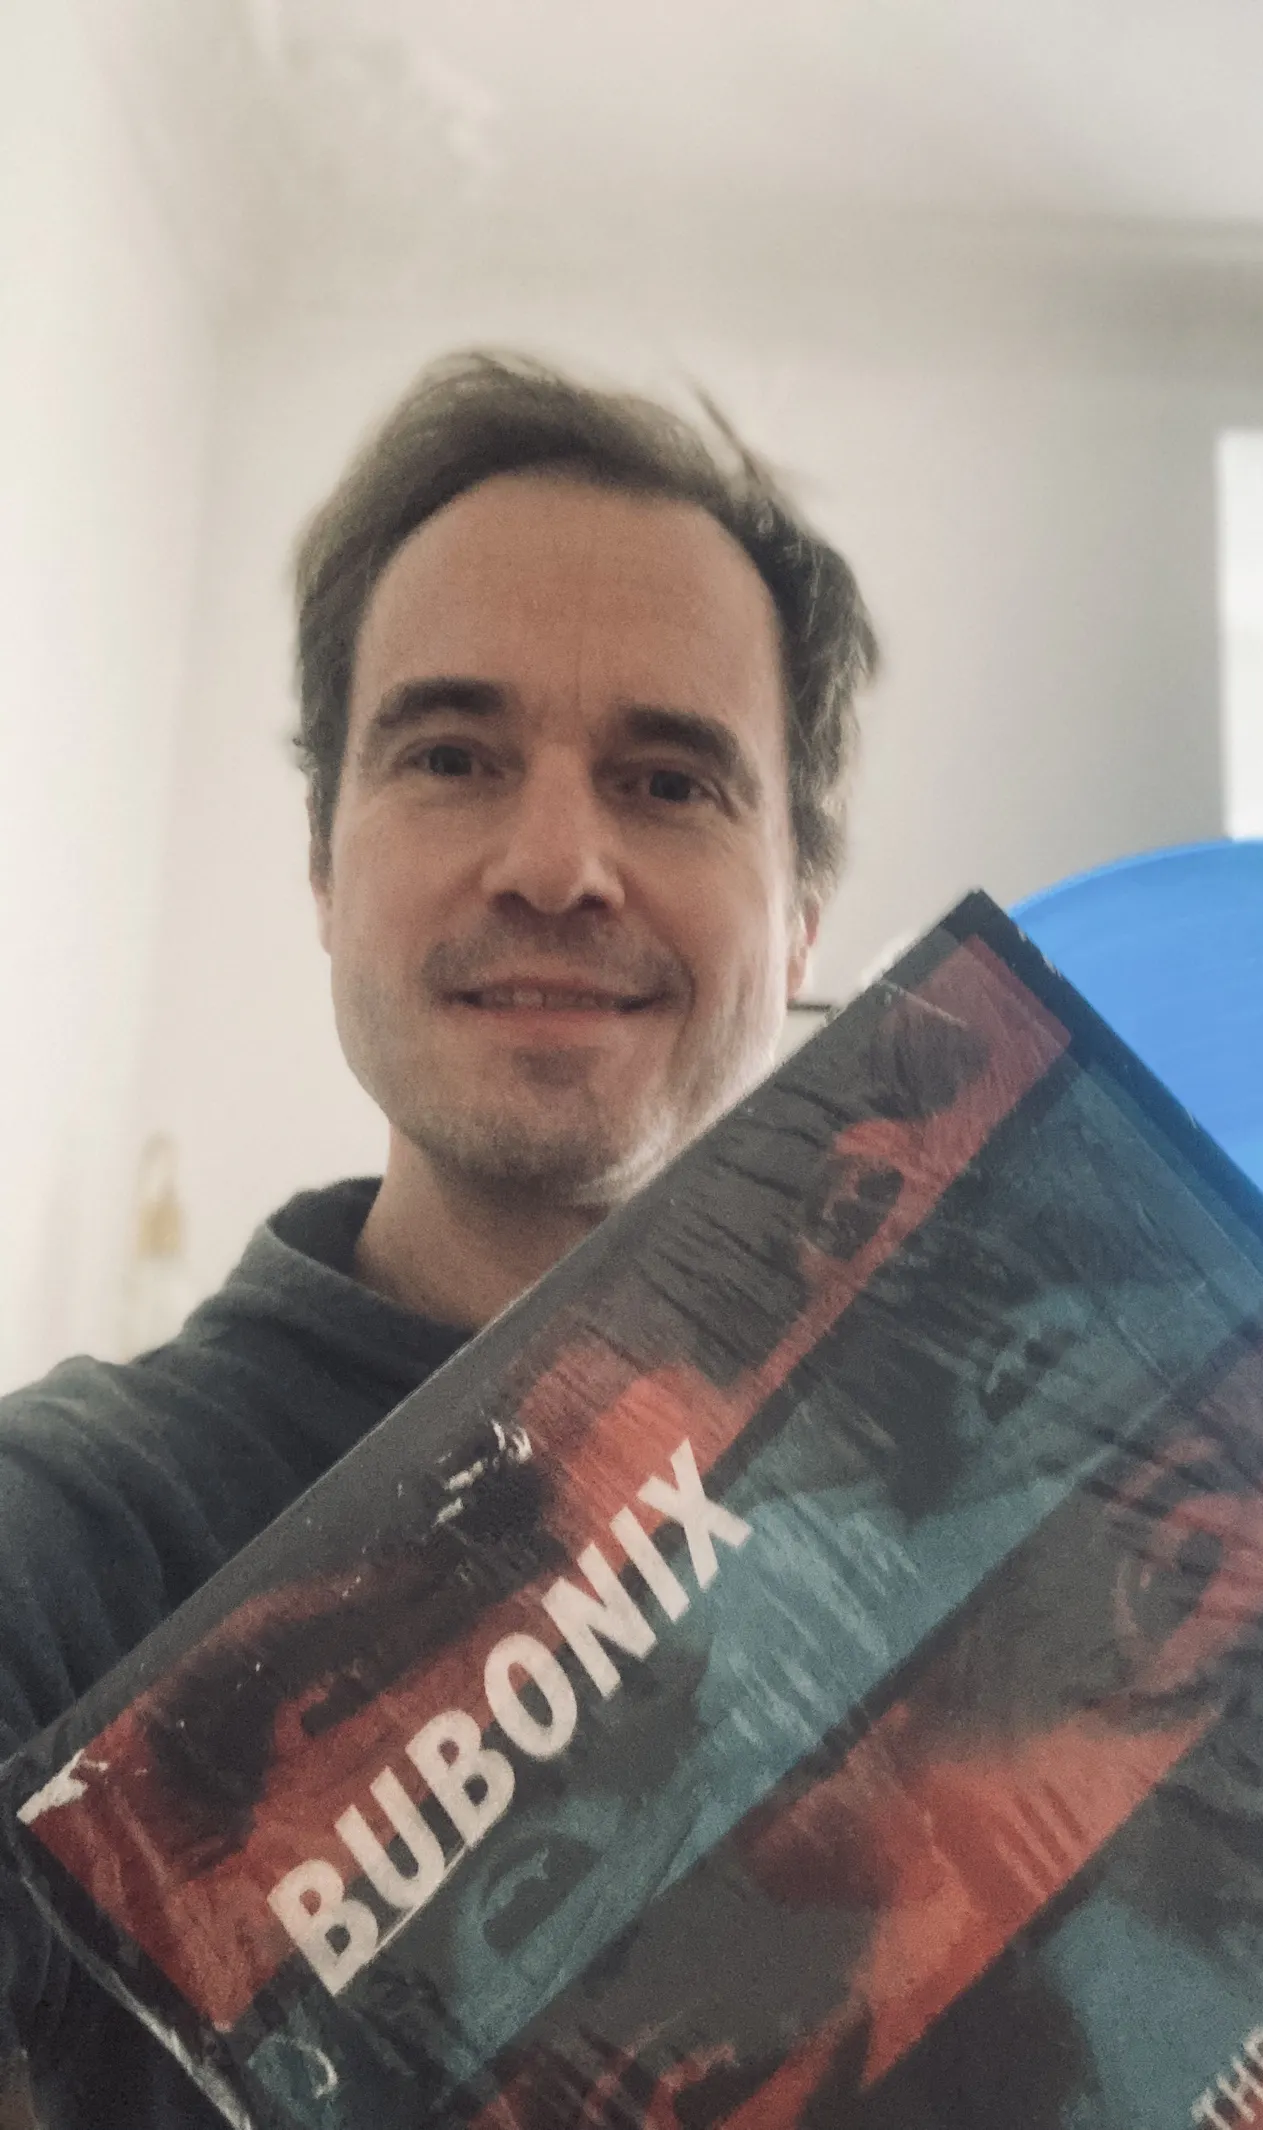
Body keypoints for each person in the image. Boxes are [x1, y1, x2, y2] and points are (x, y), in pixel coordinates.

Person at [0, 351, 879, 2129]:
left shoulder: (968, 1459)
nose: (555, 862)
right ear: (326, 868)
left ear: (800, 915)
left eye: (669, 780)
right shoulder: (69, 1536)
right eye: (453, 756)